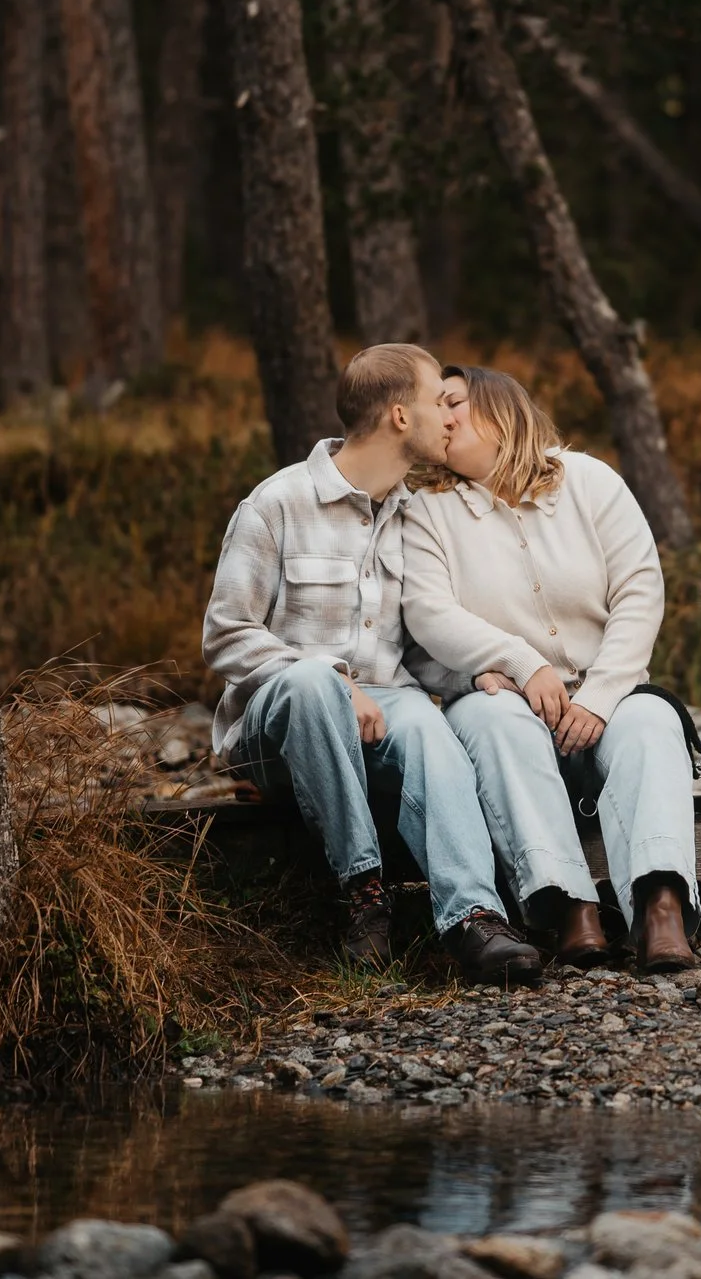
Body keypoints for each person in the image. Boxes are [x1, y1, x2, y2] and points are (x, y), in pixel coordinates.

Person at [202, 345, 543, 985]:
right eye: (438, 403)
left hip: (384, 705)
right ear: (397, 416)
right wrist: (331, 679)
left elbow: (410, 648)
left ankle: (472, 916)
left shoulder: (409, 514)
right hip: (275, 729)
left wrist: (472, 677)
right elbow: (224, 636)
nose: (451, 417)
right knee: (309, 683)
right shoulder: (278, 503)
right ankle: (363, 894)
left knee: (426, 729)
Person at [400, 365, 700, 972]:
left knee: (650, 724)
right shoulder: (428, 511)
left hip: (606, 697)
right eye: (437, 408)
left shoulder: (588, 481)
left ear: (501, 407)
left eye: (454, 401)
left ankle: (660, 908)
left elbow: (640, 589)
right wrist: (515, 662)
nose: (444, 418)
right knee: (492, 721)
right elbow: (427, 613)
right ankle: (569, 910)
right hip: (510, 704)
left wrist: (602, 695)